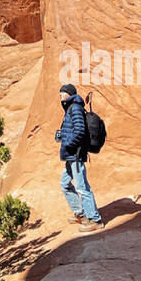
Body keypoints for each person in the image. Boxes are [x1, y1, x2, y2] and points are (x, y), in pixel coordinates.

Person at [56, 82, 103, 230]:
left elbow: (80, 131)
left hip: (75, 155)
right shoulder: (70, 108)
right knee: (64, 184)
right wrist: (61, 135)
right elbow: (71, 130)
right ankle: (81, 214)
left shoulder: (75, 108)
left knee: (82, 187)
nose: (60, 95)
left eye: (62, 92)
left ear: (69, 93)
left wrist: (68, 143)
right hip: (71, 156)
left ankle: (95, 220)